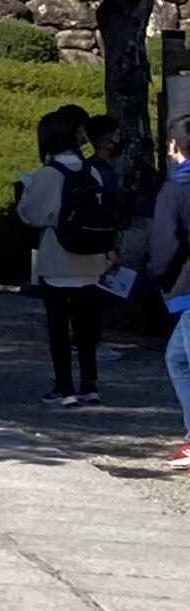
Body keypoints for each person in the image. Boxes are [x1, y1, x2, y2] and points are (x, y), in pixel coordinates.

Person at [18, 107, 114, 406]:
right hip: (92, 258)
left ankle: (64, 386)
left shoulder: (49, 174)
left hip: (58, 257)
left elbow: (30, 214)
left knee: (59, 326)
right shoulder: (91, 169)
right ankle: (90, 383)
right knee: (86, 327)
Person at [146, 111, 190, 473]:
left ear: (174, 146)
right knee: (177, 358)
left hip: (187, 286)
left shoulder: (175, 189)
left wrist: (154, 273)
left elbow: (166, 244)